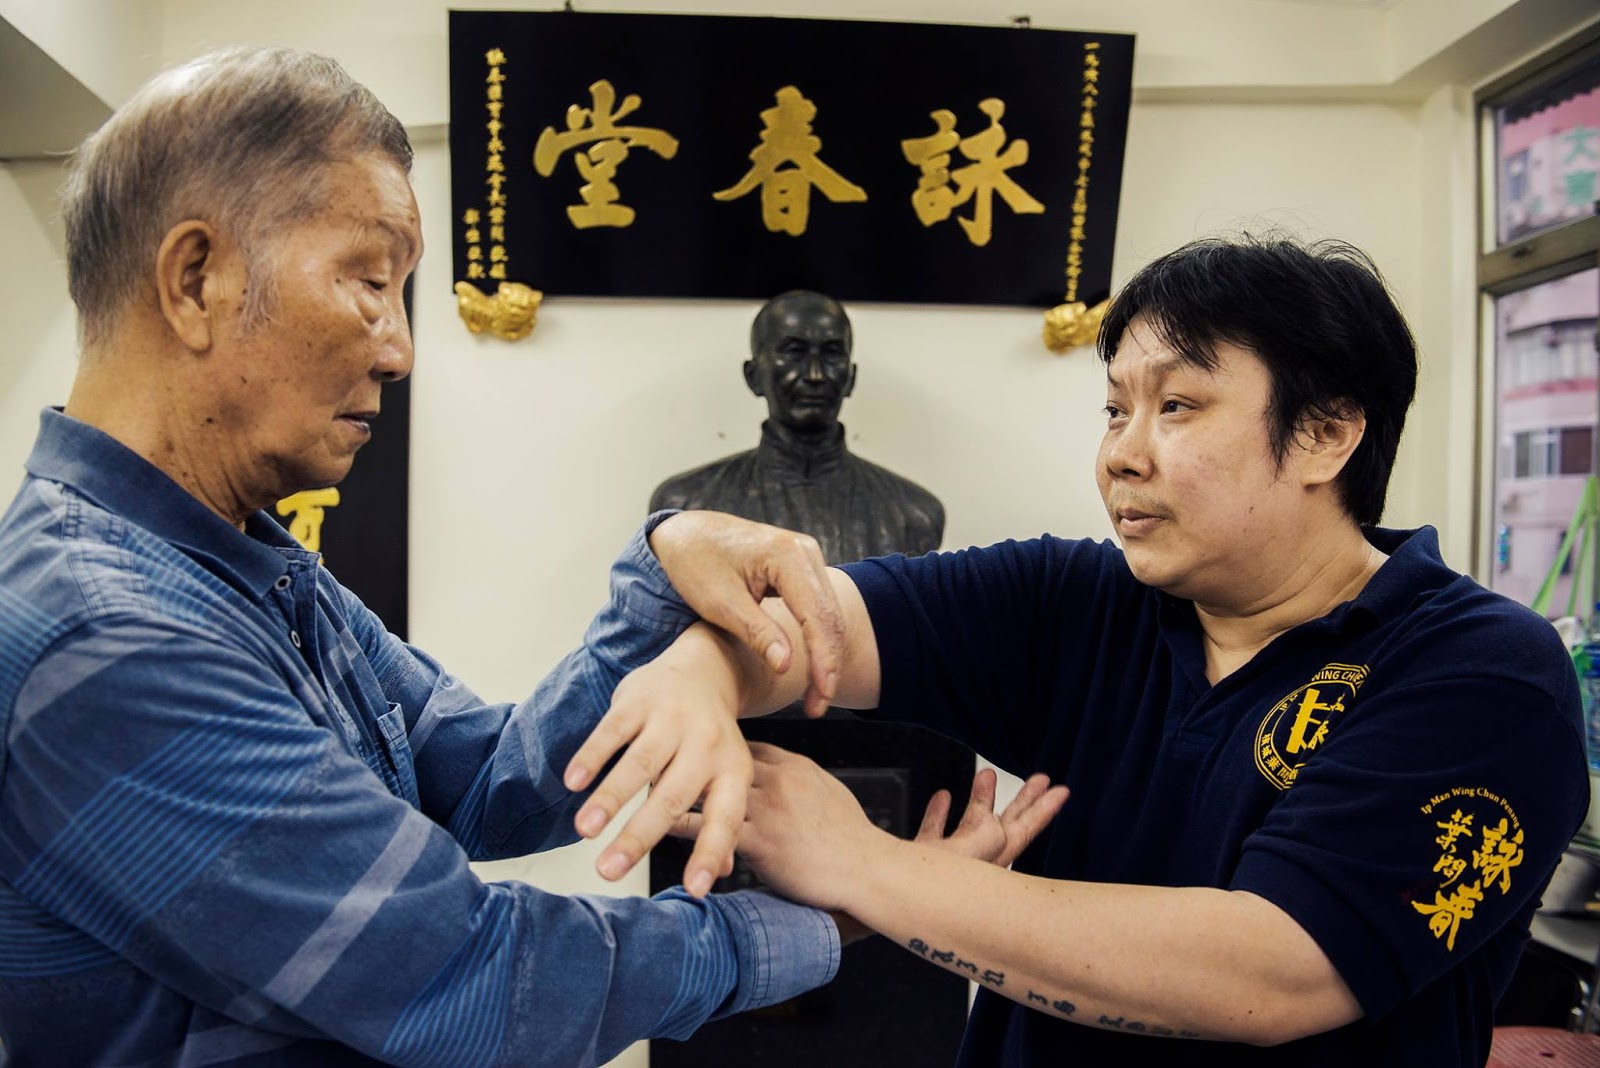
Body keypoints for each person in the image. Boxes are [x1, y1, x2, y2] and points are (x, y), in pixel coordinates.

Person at [0, 47, 1066, 1066]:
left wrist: (661, 572)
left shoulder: (244, 565)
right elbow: (466, 973)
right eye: (369, 282)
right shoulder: (107, 626)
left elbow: (486, 773)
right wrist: (842, 908)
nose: (400, 348)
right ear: (195, 280)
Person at [575, 236, 1592, 1066]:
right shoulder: (1082, 597)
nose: (1121, 451)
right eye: (1115, 407)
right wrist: (699, 672)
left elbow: (1270, 973)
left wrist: (860, 864)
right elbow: (810, 617)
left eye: (1176, 406)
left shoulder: (1480, 673)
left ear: (1325, 435)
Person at [649, 290, 944, 564]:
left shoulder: (913, 513)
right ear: (753, 376)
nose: (815, 374)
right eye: (793, 352)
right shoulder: (687, 503)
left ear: (851, 377)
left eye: (831, 353)